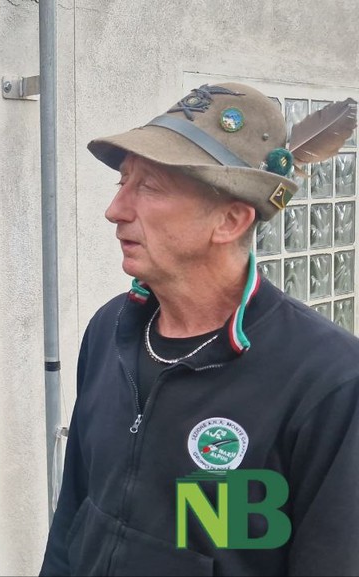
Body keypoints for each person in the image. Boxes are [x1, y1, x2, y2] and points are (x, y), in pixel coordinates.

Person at [41, 83, 359, 575]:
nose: (115, 210)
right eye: (122, 182)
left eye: (149, 187)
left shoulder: (330, 378)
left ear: (230, 220)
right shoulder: (110, 329)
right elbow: (73, 513)